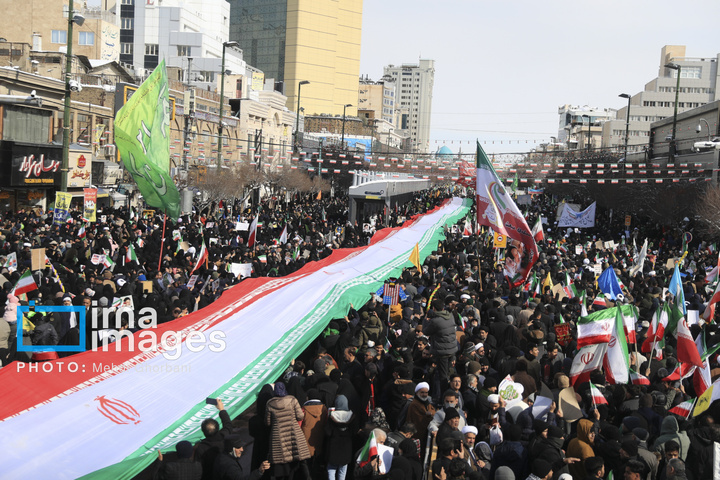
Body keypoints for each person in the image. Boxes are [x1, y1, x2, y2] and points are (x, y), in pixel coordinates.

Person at [265, 382, 311, 480]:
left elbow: (268, 422)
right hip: (293, 433)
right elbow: (300, 416)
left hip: (278, 436)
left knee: (282, 463)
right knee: (296, 461)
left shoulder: (270, 403)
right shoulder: (292, 400)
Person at [195, 398, 233, 480]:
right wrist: (221, 409)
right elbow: (228, 425)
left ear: (203, 432)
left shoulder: (201, 448)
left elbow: (198, 469)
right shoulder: (225, 437)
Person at [326, 395, 355, 480]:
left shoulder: (332, 416)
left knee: (331, 468)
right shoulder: (352, 416)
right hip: (346, 448)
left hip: (334, 447)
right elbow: (353, 432)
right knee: (343, 470)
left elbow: (327, 432)